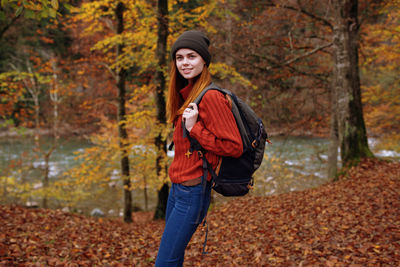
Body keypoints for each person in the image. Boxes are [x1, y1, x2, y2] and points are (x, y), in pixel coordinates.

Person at [155, 30, 243, 267]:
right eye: (180, 57)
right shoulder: (187, 94)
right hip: (178, 190)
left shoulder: (211, 97)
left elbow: (234, 146)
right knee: (173, 259)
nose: (185, 63)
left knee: (165, 263)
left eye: (191, 56)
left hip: (192, 193)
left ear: (204, 60)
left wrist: (195, 129)